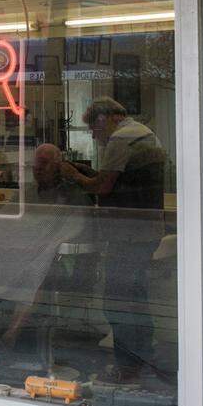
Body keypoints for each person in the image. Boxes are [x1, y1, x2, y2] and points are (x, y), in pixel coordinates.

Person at [58, 98, 167, 381]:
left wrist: (74, 175)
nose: (95, 136)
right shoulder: (145, 133)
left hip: (127, 233)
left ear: (105, 119)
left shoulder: (121, 140)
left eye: (94, 129)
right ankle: (144, 355)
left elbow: (104, 187)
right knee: (137, 297)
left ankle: (126, 366)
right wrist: (91, 174)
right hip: (148, 230)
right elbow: (124, 181)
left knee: (115, 300)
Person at [0, 143, 92, 350]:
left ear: (58, 166)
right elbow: (0, 223)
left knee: (35, 275)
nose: (38, 169)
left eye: (44, 164)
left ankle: (10, 336)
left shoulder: (72, 196)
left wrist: (42, 246)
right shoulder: (27, 193)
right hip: (9, 257)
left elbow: (75, 228)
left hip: (48, 261)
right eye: (36, 165)